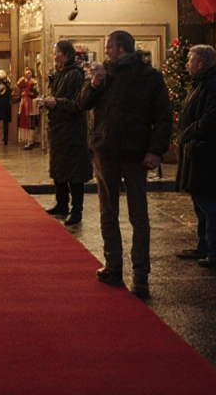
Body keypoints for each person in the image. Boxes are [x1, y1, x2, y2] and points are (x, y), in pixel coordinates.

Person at [77, 31, 173, 298]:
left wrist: (156, 150)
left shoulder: (149, 77)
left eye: (108, 46)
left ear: (120, 48)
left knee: (138, 215)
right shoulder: (104, 75)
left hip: (135, 153)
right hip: (106, 151)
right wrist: (93, 85)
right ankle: (113, 266)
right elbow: (82, 104)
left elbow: (163, 117)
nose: (105, 51)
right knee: (108, 211)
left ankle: (140, 274)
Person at [175, 45, 216, 270]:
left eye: (190, 60)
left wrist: (189, 134)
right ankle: (204, 244)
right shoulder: (201, 84)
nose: (187, 64)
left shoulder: (215, 86)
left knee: (210, 202)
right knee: (200, 201)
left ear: (201, 64)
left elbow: (210, 119)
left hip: (208, 153)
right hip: (197, 151)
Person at [39, 40, 91, 226]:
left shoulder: (75, 75)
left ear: (66, 55)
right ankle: (62, 204)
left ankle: (77, 209)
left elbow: (77, 104)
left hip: (72, 131)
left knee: (74, 173)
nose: (54, 57)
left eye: (56, 53)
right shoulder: (60, 74)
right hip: (59, 129)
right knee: (59, 167)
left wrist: (56, 103)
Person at [16, 67, 38, 150]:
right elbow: (17, 87)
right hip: (24, 104)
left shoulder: (34, 82)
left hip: (31, 104)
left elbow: (36, 92)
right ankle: (26, 140)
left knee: (31, 122)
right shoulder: (22, 81)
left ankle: (31, 140)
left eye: (29, 73)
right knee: (24, 121)